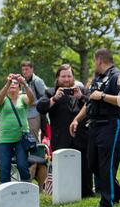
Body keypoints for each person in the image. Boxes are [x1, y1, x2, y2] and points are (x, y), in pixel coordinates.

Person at [70, 49, 120, 207]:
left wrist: (102, 96)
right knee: (93, 163)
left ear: (99, 60)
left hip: (112, 124)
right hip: (95, 125)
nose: (94, 64)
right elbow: (90, 103)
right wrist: (76, 119)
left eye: (94, 61)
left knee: (106, 165)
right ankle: (117, 191)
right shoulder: (97, 78)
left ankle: (107, 203)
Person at [37, 64, 94, 198]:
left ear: (73, 77)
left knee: (84, 167)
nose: (66, 79)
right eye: (63, 76)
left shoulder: (82, 91)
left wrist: (81, 97)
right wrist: (54, 99)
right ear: (58, 77)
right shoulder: (51, 92)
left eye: (69, 76)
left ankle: (85, 192)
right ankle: (64, 192)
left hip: (82, 136)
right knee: (62, 168)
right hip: (60, 137)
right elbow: (41, 107)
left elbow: (93, 107)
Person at [0, 73, 34, 183]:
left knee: (22, 164)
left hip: (21, 138)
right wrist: (7, 82)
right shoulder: (4, 99)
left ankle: (26, 189)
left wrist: (25, 84)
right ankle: (4, 195)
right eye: (11, 83)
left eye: (15, 83)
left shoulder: (23, 98)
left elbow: (31, 100)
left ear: (19, 87)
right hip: (5, 138)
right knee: (4, 168)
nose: (13, 84)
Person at [21, 61, 47, 143]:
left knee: (33, 139)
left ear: (32, 69)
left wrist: (34, 103)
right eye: (23, 70)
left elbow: (46, 96)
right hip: (25, 114)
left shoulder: (37, 81)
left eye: (27, 69)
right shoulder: (23, 81)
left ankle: (36, 156)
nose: (24, 72)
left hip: (35, 114)